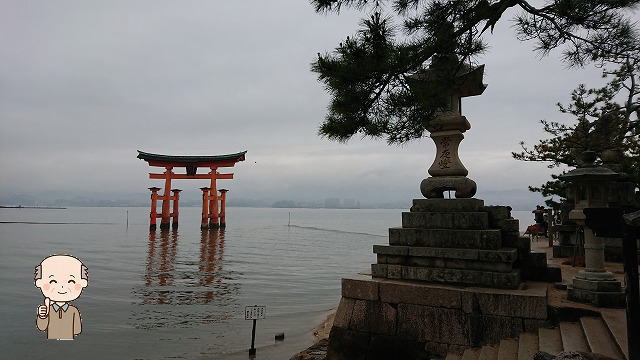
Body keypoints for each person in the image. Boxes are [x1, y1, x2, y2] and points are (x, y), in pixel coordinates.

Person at [34, 254, 88, 340]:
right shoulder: (49, 310)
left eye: (71, 281)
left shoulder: (73, 311)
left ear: (82, 283)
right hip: (52, 342)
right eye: (53, 281)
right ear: (40, 282)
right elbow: (42, 327)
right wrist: (42, 316)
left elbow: (77, 330)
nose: (62, 286)